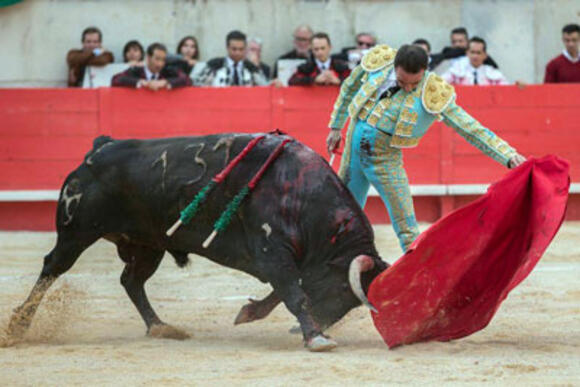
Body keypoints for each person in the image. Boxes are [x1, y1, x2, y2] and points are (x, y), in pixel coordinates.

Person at [326, 44, 525, 251]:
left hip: (384, 161)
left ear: (425, 71)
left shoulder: (433, 91)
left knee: (407, 229)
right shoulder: (379, 62)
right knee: (342, 217)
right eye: (402, 82)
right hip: (352, 155)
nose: (409, 88)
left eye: (415, 83)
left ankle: (418, 277)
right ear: (395, 66)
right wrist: (336, 126)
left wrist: (508, 155)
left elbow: (470, 128)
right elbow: (349, 88)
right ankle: (329, 270)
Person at [195, 30, 268, 87]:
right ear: (227, 48)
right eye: (234, 49)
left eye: (241, 49)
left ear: (245, 48)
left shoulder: (251, 68)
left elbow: (264, 87)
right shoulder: (214, 65)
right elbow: (197, 85)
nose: (237, 53)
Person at [111, 43, 192, 90]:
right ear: (148, 58)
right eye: (157, 59)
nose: (160, 64)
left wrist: (165, 82)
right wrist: (141, 82)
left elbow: (188, 80)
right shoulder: (136, 70)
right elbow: (116, 79)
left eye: (163, 60)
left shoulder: (168, 70)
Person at [442, 37, 509, 85]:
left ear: (485, 55)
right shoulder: (456, 72)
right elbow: (439, 85)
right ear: (467, 53)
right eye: (472, 52)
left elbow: (507, 91)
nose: (475, 56)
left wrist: (518, 87)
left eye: (478, 53)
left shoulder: (493, 74)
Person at [430, 27, 498, 72]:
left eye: (460, 41)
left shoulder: (478, 57)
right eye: (454, 42)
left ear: (467, 42)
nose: (457, 44)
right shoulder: (445, 56)